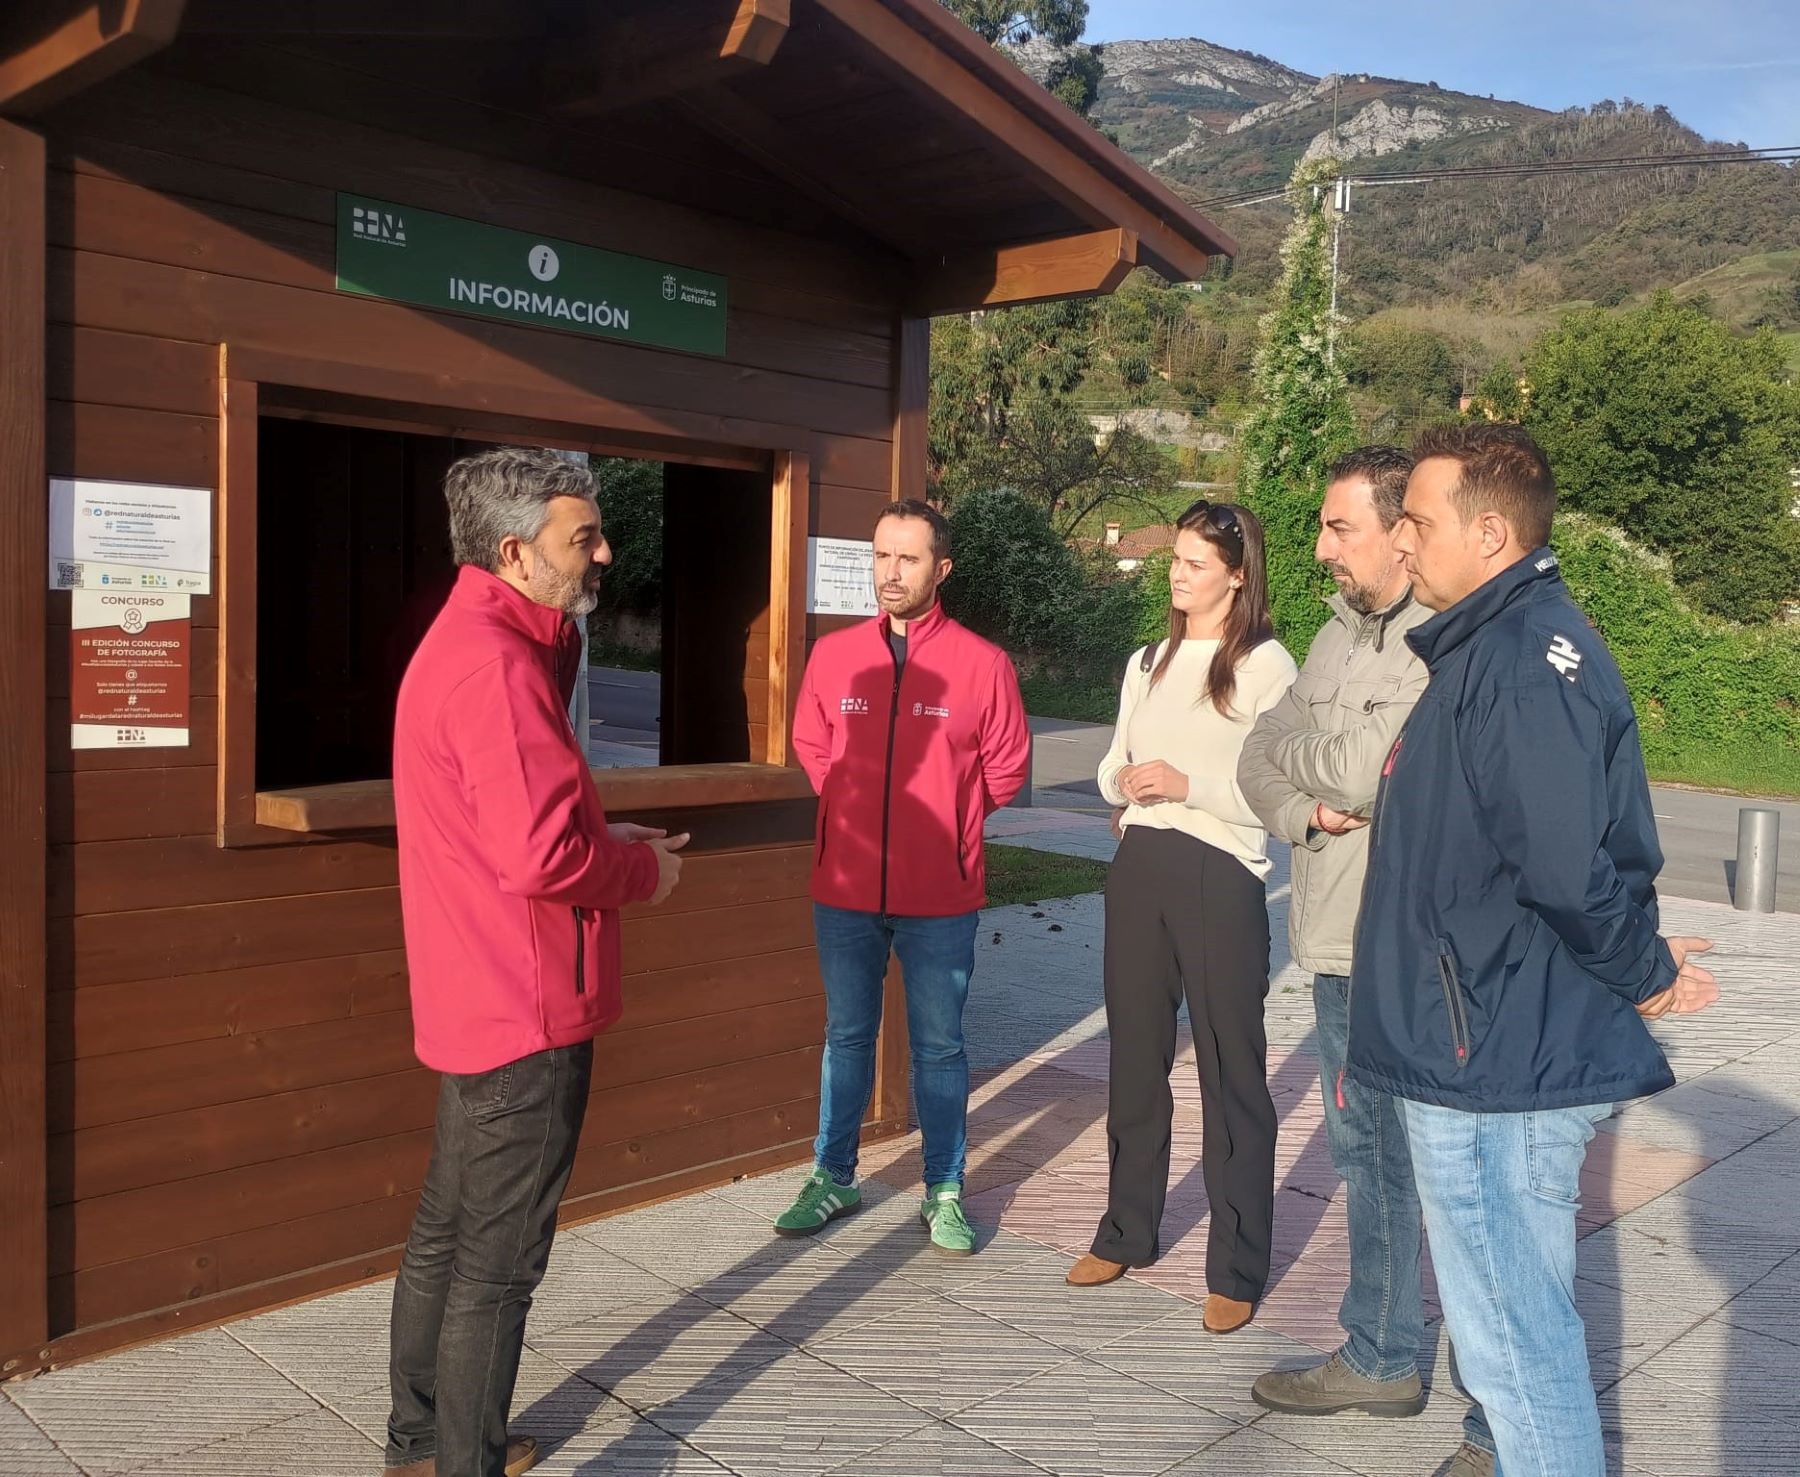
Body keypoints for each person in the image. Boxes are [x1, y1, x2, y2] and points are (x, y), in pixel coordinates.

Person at [1350, 423, 1719, 1477]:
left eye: (1417, 519)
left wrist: (1644, 969)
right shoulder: (1498, 648)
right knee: (1517, 1337)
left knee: (1517, 1346)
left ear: (1493, 533)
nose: (1403, 541)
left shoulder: (1516, 662)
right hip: (1488, 1039)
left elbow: (1560, 865)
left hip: (1494, 1061)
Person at [385, 448, 689, 1477]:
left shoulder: (473, 638)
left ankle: (421, 1439)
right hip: (523, 1002)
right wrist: (645, 877)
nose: (603, 551)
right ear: (515, 550)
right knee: (498, 1263)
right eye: (582, 537)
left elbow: (518, 814)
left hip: (476, 986)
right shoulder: (497, 663)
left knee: (448, 1225)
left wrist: (610, 825)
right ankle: (459, 1459)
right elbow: (542, 854)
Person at [1237, 448, 1499, 1466]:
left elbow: (1367, 765)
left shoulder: (1450, 641)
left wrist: (1328, 764)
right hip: (1340, 949)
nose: (1319, 548)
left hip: (1426, 962)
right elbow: (1261, 754)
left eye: (1338, 527)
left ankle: (1498, 1413)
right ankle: (1383, 1356)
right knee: (1371, 1163)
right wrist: (1308, 805)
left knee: (1459, 1180)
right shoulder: (1335, 634)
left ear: (1403, 531)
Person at [1066, 500, 1297, 1336]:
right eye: (1177, 560)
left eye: (1197, 563)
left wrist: (1186, 785)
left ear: (1238, 573)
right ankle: (1126, 1228)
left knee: (1232, 1073)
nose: (1179, 574)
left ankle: (1236, 1264)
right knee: (1134, 1057)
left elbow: (1278, 793)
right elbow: (1110, 764)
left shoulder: (1268, 667)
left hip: (1223, 873)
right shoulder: (1148, 660)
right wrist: (1125, 787)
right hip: (1141, 867)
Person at [776, 499, 1030, 1254]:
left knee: (941, 1046)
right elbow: (812, 742)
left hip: (939, 895)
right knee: (846, 1035)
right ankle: (833, 1174)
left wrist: (943, 823)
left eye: (908, 558)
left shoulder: (982, 664)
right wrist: (852, 814)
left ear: (940, 569)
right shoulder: (834, 656)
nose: (890, 572)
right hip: (845, 886)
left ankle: (943, 1188)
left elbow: (1008, 767)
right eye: (881, 556)